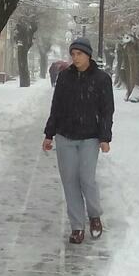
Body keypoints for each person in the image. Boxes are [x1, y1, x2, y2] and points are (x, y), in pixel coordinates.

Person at [43, 37, 114, 244]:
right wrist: (49, 134)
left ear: (88, 55)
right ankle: (76, 226)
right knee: (69, 181)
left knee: (87, 179)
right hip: (65, 136)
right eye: (73, 54)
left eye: (79, 54)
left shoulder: (101, 79)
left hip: (90, 138)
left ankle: (94, 216)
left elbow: (107, 111)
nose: (75, 58)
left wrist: (105, 137)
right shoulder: (65, 77)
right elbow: (56, 107)